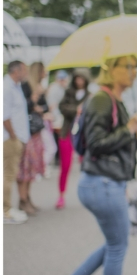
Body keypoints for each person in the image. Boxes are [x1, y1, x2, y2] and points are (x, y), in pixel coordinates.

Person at [49, 55, 137, 275]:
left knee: (115, 242)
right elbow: (97, 144)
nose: (134, 72)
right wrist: (129, 129)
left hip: (104, 182)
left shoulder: (112, 100)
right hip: (102, 183)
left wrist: (130, 132)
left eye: (135, 67)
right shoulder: (102, 99)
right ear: (110, 70)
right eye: (127, 66)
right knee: (118, 245)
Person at [17, 61, 50, 215]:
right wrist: (34, 98)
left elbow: (46, 107)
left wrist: (41, 97)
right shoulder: (25, 87)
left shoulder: (39, 87)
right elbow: (23, 107)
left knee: (32, 168)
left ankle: (27, 197)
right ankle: (22, 200)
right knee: (25, 167)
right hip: (27, 132)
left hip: (37, 132)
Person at [55, 69, 90, 209]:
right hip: (68, 131)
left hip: (83, 134)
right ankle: (61, 195)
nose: (79, 81)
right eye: (77, 78)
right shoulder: (69, 93)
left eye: (81, 78)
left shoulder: (90, 95)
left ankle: (86, 195)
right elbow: (62, 107)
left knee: (86, 165)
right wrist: (76, 109)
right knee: (65, 165)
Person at [3, 61, 30, 225]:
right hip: (9, 138)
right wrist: (13, 136)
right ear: (16, 71)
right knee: (7, 175)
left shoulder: (15, 86)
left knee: (9, 174)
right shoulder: (6, 87)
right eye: (24, 70)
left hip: (16, 137)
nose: (26, 73)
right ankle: (4, 210)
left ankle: (5, 209)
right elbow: (3, 115)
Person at [46, 70, 70, 167]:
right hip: (56, 117)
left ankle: (60, 157)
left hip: (61, 116)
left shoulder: (63, 88)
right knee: (56, 138)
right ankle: (57, 158)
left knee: (61, 137)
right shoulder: (54, 88)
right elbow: (52, 104)